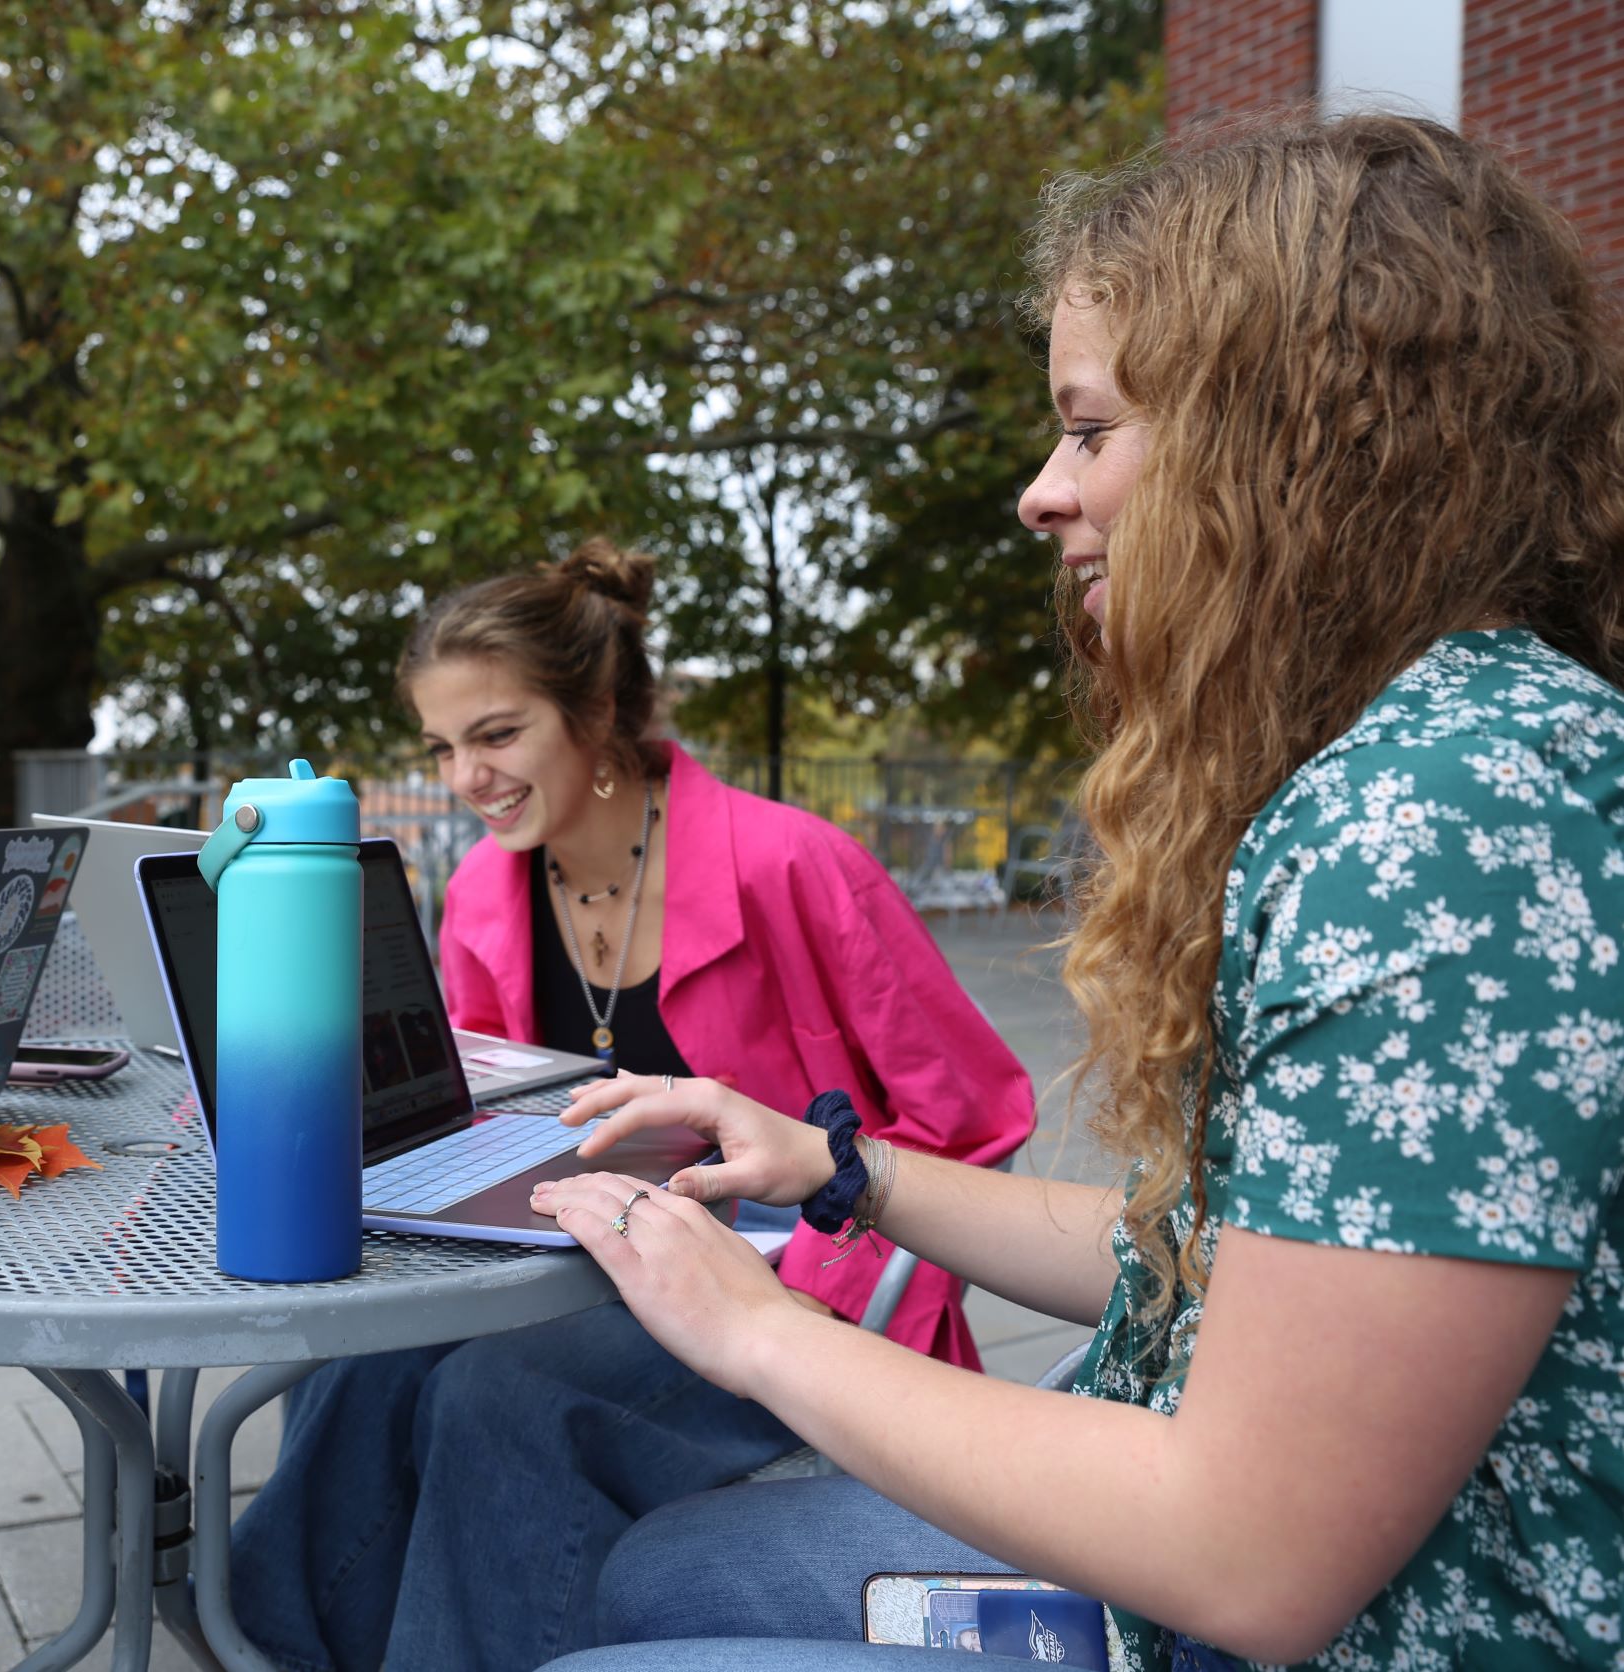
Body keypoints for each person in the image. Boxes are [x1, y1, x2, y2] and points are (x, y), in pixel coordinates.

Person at [528, 112, 1624, 1671]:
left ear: (1293, 437)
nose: (1044, 493)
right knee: (666, 1580)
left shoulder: (1436, 821)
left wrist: (757, 1331)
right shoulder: (1471, 748)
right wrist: (840, 1171)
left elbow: (1251, 1560)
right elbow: (1236, 1260)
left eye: (1091, 431)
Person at [228, 541, 1037, 1671]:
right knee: (359, 1362)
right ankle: (268, 1636)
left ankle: (278, 1627)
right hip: (587, 1262)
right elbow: (481, 1112)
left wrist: (814, 1287)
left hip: (791, 1299)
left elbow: (977, 1114)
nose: (467, 777)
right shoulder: (480, 896)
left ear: (597, 711)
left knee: (501, 1397)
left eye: (497, 734)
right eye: (442, 746)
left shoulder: (793, 863)